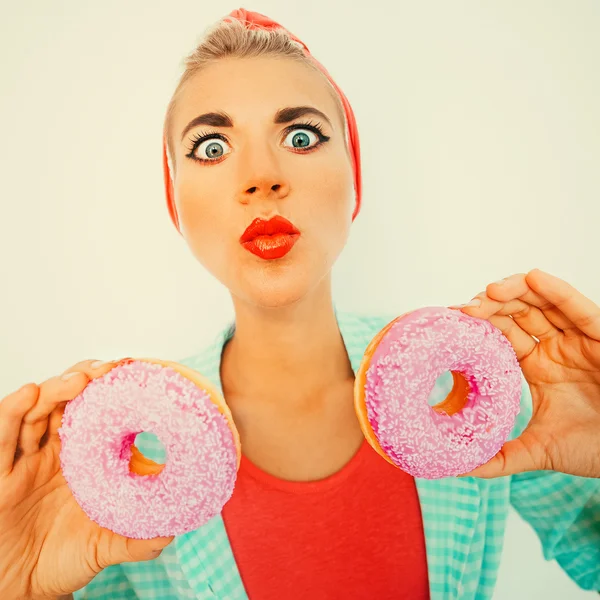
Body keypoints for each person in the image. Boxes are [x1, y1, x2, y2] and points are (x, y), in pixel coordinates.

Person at [1, 8, 599, 600]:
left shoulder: (489, 400)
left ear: (353, 175)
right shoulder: (111, 477)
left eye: (301, 136)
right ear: (175, 203)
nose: (261, 176)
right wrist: (17, 585)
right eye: (211, 146)